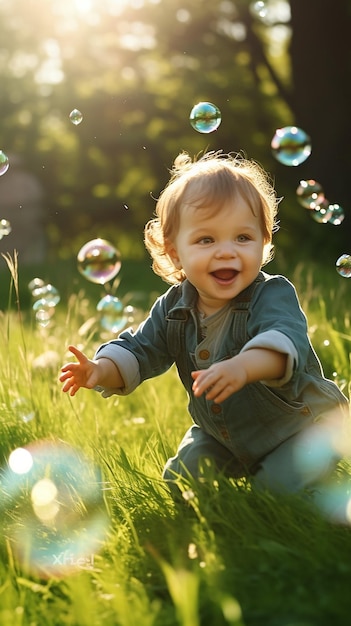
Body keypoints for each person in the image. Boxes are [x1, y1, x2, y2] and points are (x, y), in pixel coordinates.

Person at [60, 151, 350, 496]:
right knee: (183, 482)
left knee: (274, 492)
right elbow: (140, 349)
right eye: (206, 240)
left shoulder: (271, 294)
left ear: (264, 242)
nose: (226, 251)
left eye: (243, 238)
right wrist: (101, 369)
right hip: (222, 435)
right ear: (175, 252)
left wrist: (243, 366)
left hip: (299, 429)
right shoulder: (173, 308)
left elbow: (283, 342)